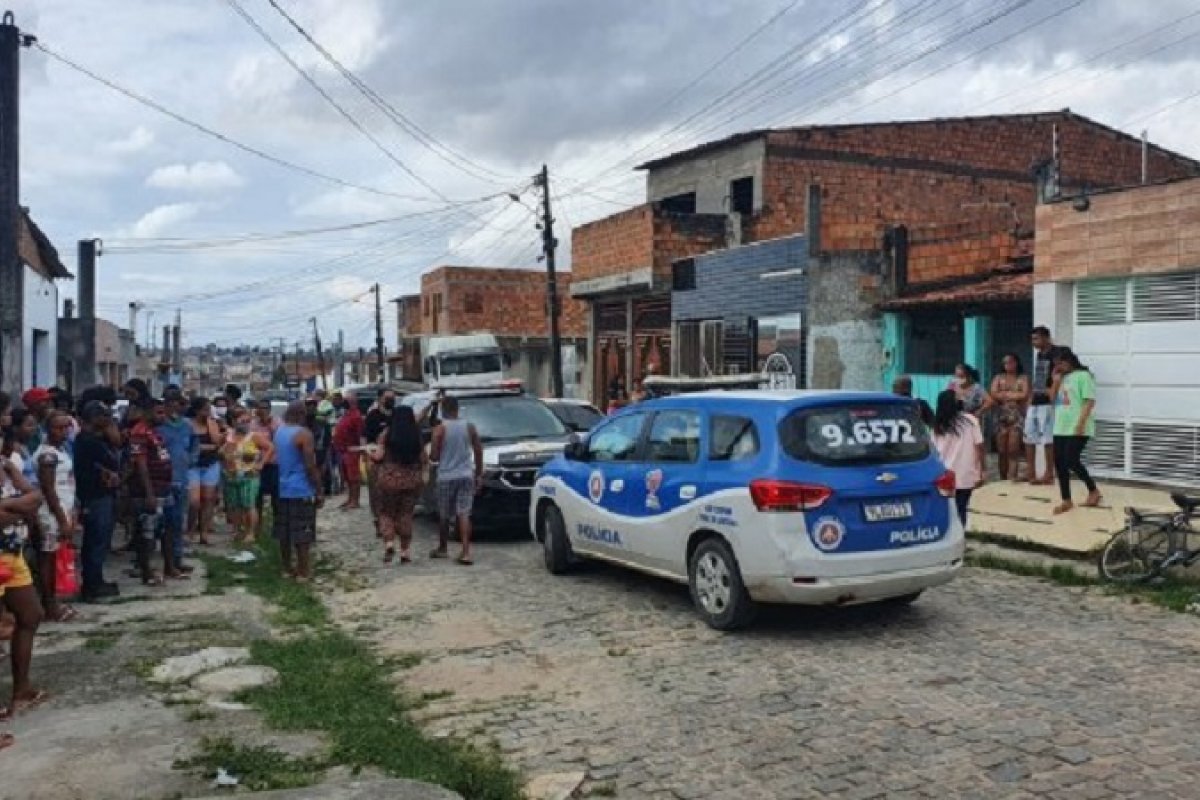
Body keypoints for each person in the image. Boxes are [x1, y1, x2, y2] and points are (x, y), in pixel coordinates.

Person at [0, 435, 46, 725]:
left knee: (30, 614)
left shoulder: (6, 466)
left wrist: (9, 505)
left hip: (12, 551)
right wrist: (19, 506)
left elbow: (36, 497)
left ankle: (22, 689)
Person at [32, 411, 78, 621]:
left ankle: (54, 600)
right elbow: (49, 490)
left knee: (57, 556)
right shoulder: (47, 456)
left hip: (63, 509)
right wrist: (61, 518)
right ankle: (49, 603)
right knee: (48, 558)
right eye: (57, 428)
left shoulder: (61, 450)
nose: (62, 432)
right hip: (50, 513)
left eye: (65, 428)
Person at [74, 401, 122, 601]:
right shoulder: (88, 441)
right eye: (104, 417)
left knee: (98, 541)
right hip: (95, 496)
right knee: (96, 540)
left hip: (98, 494)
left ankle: (95, 580)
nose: (108, 421)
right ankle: (92, 584)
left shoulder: (91, 439)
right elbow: (111, 461)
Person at [128, 397, 177, 584]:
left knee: (167, 529)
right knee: (147, 531)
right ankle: (147, 572)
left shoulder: (154, 432)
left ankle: (170, 567)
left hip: (164, 487)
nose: (163, 416)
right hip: (150, 490)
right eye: (159, 412)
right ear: (146, 413)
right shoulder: (139, 433)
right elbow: (140, 464)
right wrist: (148, 493)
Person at [430, 395, 483, 565]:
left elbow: (435, 456)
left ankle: (443, 547)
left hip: (446, 475)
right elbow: (478, 450)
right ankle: (466, 551)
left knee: (444, 514)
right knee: (464, 513)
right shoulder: (469, 427)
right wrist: (478, 474)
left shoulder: (439, 429)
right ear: (457, 408)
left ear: (442, 409)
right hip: (466, 474)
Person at [273, 401, 323, 582]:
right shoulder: (304, 434)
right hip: (300, 488)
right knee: (303, 532)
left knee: (284, 532)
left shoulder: (279, 431)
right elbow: (310, 465)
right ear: (302, 414)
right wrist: (318, 489)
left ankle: (286, 568)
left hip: (282, 486)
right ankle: (303, 570)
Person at [370, 405, 425, 564]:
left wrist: (370, 454)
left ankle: (389, 542)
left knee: (386, 513)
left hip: (389, 481)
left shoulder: (386, 435)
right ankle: (405, 551)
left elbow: (378, 456)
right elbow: (423, 458)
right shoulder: (416, 435)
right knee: (406, 514)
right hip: (411, 481)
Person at [1051, 348, 1102, 515]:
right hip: (1061, 426)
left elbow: (1089, 401)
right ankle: (1066, 499)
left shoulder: (1084, 376)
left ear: (1069, 361)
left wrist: (1080, 423)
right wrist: (1055, 381)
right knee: (1059, 463)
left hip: (1078, 426)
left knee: (1071, 460)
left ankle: (1093, 490)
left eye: (1060, 363)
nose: (1058, 366)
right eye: (1056, 364)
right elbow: (1052, 400)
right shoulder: (1061, 377)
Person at [932, 389, 985, 528]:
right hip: (966, 473)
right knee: (961, 507)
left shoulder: (937, 426)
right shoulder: (971, 421)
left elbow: (934, 451)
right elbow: (979, 446)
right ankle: (960, 535)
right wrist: (981, 470)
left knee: (946, 509)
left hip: (944, 474)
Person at [221, 407, 273, 545]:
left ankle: (250, 533)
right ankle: (238, 530)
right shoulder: (229, 435)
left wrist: (261, 463)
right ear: (234, 421)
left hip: (249, 474)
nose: (245, 423)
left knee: (249, 505)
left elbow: (270, 448)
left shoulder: (254, 436)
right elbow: (221, 451)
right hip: (231, 475)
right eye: (242, 420)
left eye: (248, 421)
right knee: (235, 505)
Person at [158, 390, 196, 574]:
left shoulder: (187, 425)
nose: (176, 407)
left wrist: (190, 459)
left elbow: (194, 446)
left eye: (180, 404)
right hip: (163, 480)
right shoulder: (159, 426)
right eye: (172, 403)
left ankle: (177, 558)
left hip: (182, 478)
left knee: (178, 521)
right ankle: (164, 562)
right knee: (163, 523)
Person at [1026, 326, 1067, 486]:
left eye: (1036, 338)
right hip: (1036, 398)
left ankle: (1049, 473)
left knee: (1047, 439)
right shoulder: (1039, 355)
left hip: (1049, 401)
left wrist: (1052, 394)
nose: (1033, 342)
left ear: (1046, 338)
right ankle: (1031, 472)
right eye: (1032, 339)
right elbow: (1040, 377)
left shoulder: (1058, 353)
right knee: (1029, 436)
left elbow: (1059, 374)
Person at [186, 397, 224, 545]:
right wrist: (204, 447)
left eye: (209, 410)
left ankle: (204, 531)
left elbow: (216, 442)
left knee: (208, 499)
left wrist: (215, 426)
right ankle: (190, 530)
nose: (208, 412)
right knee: (194, 501)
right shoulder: (188, 424)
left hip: (210, 464)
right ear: (197, 410)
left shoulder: (211, 423)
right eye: (205, 410)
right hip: (193, 466)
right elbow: (188, 446)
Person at [989, 354, 1030, 481]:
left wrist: (1005, 394)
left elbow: (1024, 394)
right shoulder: (998, 377)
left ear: (1016, 363)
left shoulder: (1023, 378)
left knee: (1013, 449)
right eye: (1005, 363)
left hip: (1017, 417)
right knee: (1001, 450)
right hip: (1000, 416)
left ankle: (1012, 477)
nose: (1008, 365)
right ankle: (1003, 478)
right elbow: (994, 393)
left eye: (1010, 362)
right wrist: (1014, 395)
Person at [364, 389, 396, 537]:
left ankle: (390, 522)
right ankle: (378, 521)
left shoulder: (397, 415)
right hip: (376, 461)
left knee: (392, 493)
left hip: (394, 461)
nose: (391, 400)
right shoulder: (373, 416)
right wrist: (368, 456)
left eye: (392, 397)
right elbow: (364, 438)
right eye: (387, 397)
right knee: (376, 494)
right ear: (380, 399)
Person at [250, 399, 281, 534]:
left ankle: (277, 528)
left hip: (274, 464)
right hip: (256, 465)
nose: (262, 410)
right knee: (256, 498)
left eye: (265, 408)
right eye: (260, 408)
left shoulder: (277, 423)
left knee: (276, 499)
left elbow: (278, 442)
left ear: (269, 409)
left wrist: (269, 425)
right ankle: (257, 529)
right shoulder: (253, 424)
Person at [332, 390, 364, 510]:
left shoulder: (356, 416)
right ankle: (350, 498)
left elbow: (359, 434)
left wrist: (358, 448)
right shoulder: (347, 414)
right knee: (347, 476)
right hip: (343, 450)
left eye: (345, 400)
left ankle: (355, 500)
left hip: (351, 450)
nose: (343, 402)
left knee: (353, 477)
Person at [20, 387, 52, 453]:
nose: (49, 404)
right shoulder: (29, 430)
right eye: (45, 401)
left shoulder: (42, 425)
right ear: (35, 405)